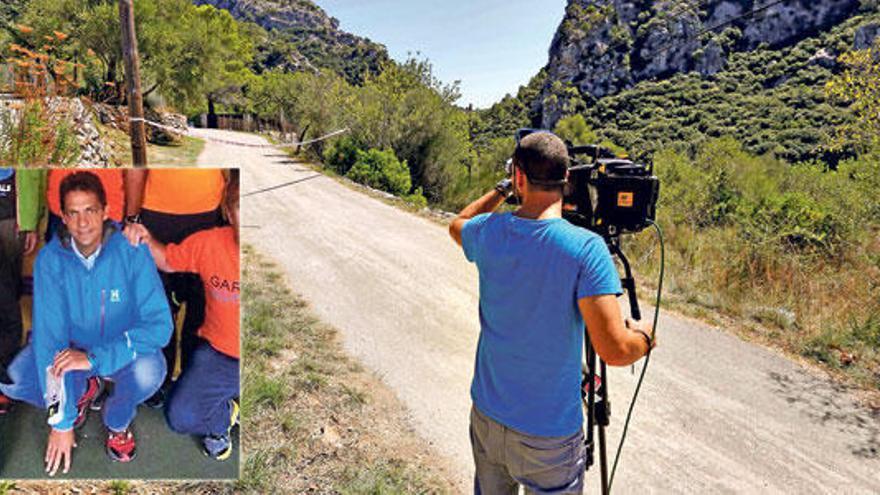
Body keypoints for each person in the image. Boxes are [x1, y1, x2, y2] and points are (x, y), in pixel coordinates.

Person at [448, 131, 655, 494]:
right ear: (569, 179)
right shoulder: (585, 249)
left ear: (519, 178)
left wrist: (502, 190)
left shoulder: (489, 232)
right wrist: (646, 336)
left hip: (486, 414)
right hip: (548, 436)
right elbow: (615, 351)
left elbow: (457, 223)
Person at [0, 172, 172, 475]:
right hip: (73, 351)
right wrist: (60, 422)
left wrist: (95, 358)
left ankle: (117, 422)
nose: (83, 223)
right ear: (63, 218)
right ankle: (82, 389)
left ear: (106, 211)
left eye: (90, 210)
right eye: (74, 213)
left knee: (150, 373)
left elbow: (160, 327)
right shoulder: (50, 260)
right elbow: (49, 341)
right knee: (14, 379)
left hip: (120, 350)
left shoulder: (131, 248)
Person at [124, 170, 240, 460]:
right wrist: (137, 226)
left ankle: (210, 395)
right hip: (220, 354)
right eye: (240, 207)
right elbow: (167, 259)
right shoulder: (213, 243)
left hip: (207, 209)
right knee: (178, 415)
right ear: (229, 209)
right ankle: (212, 406)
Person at [0, 168, 44, 413]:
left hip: (11, 211)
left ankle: (4, 368)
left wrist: (29, 221)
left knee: (7, 298)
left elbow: (35, 172)